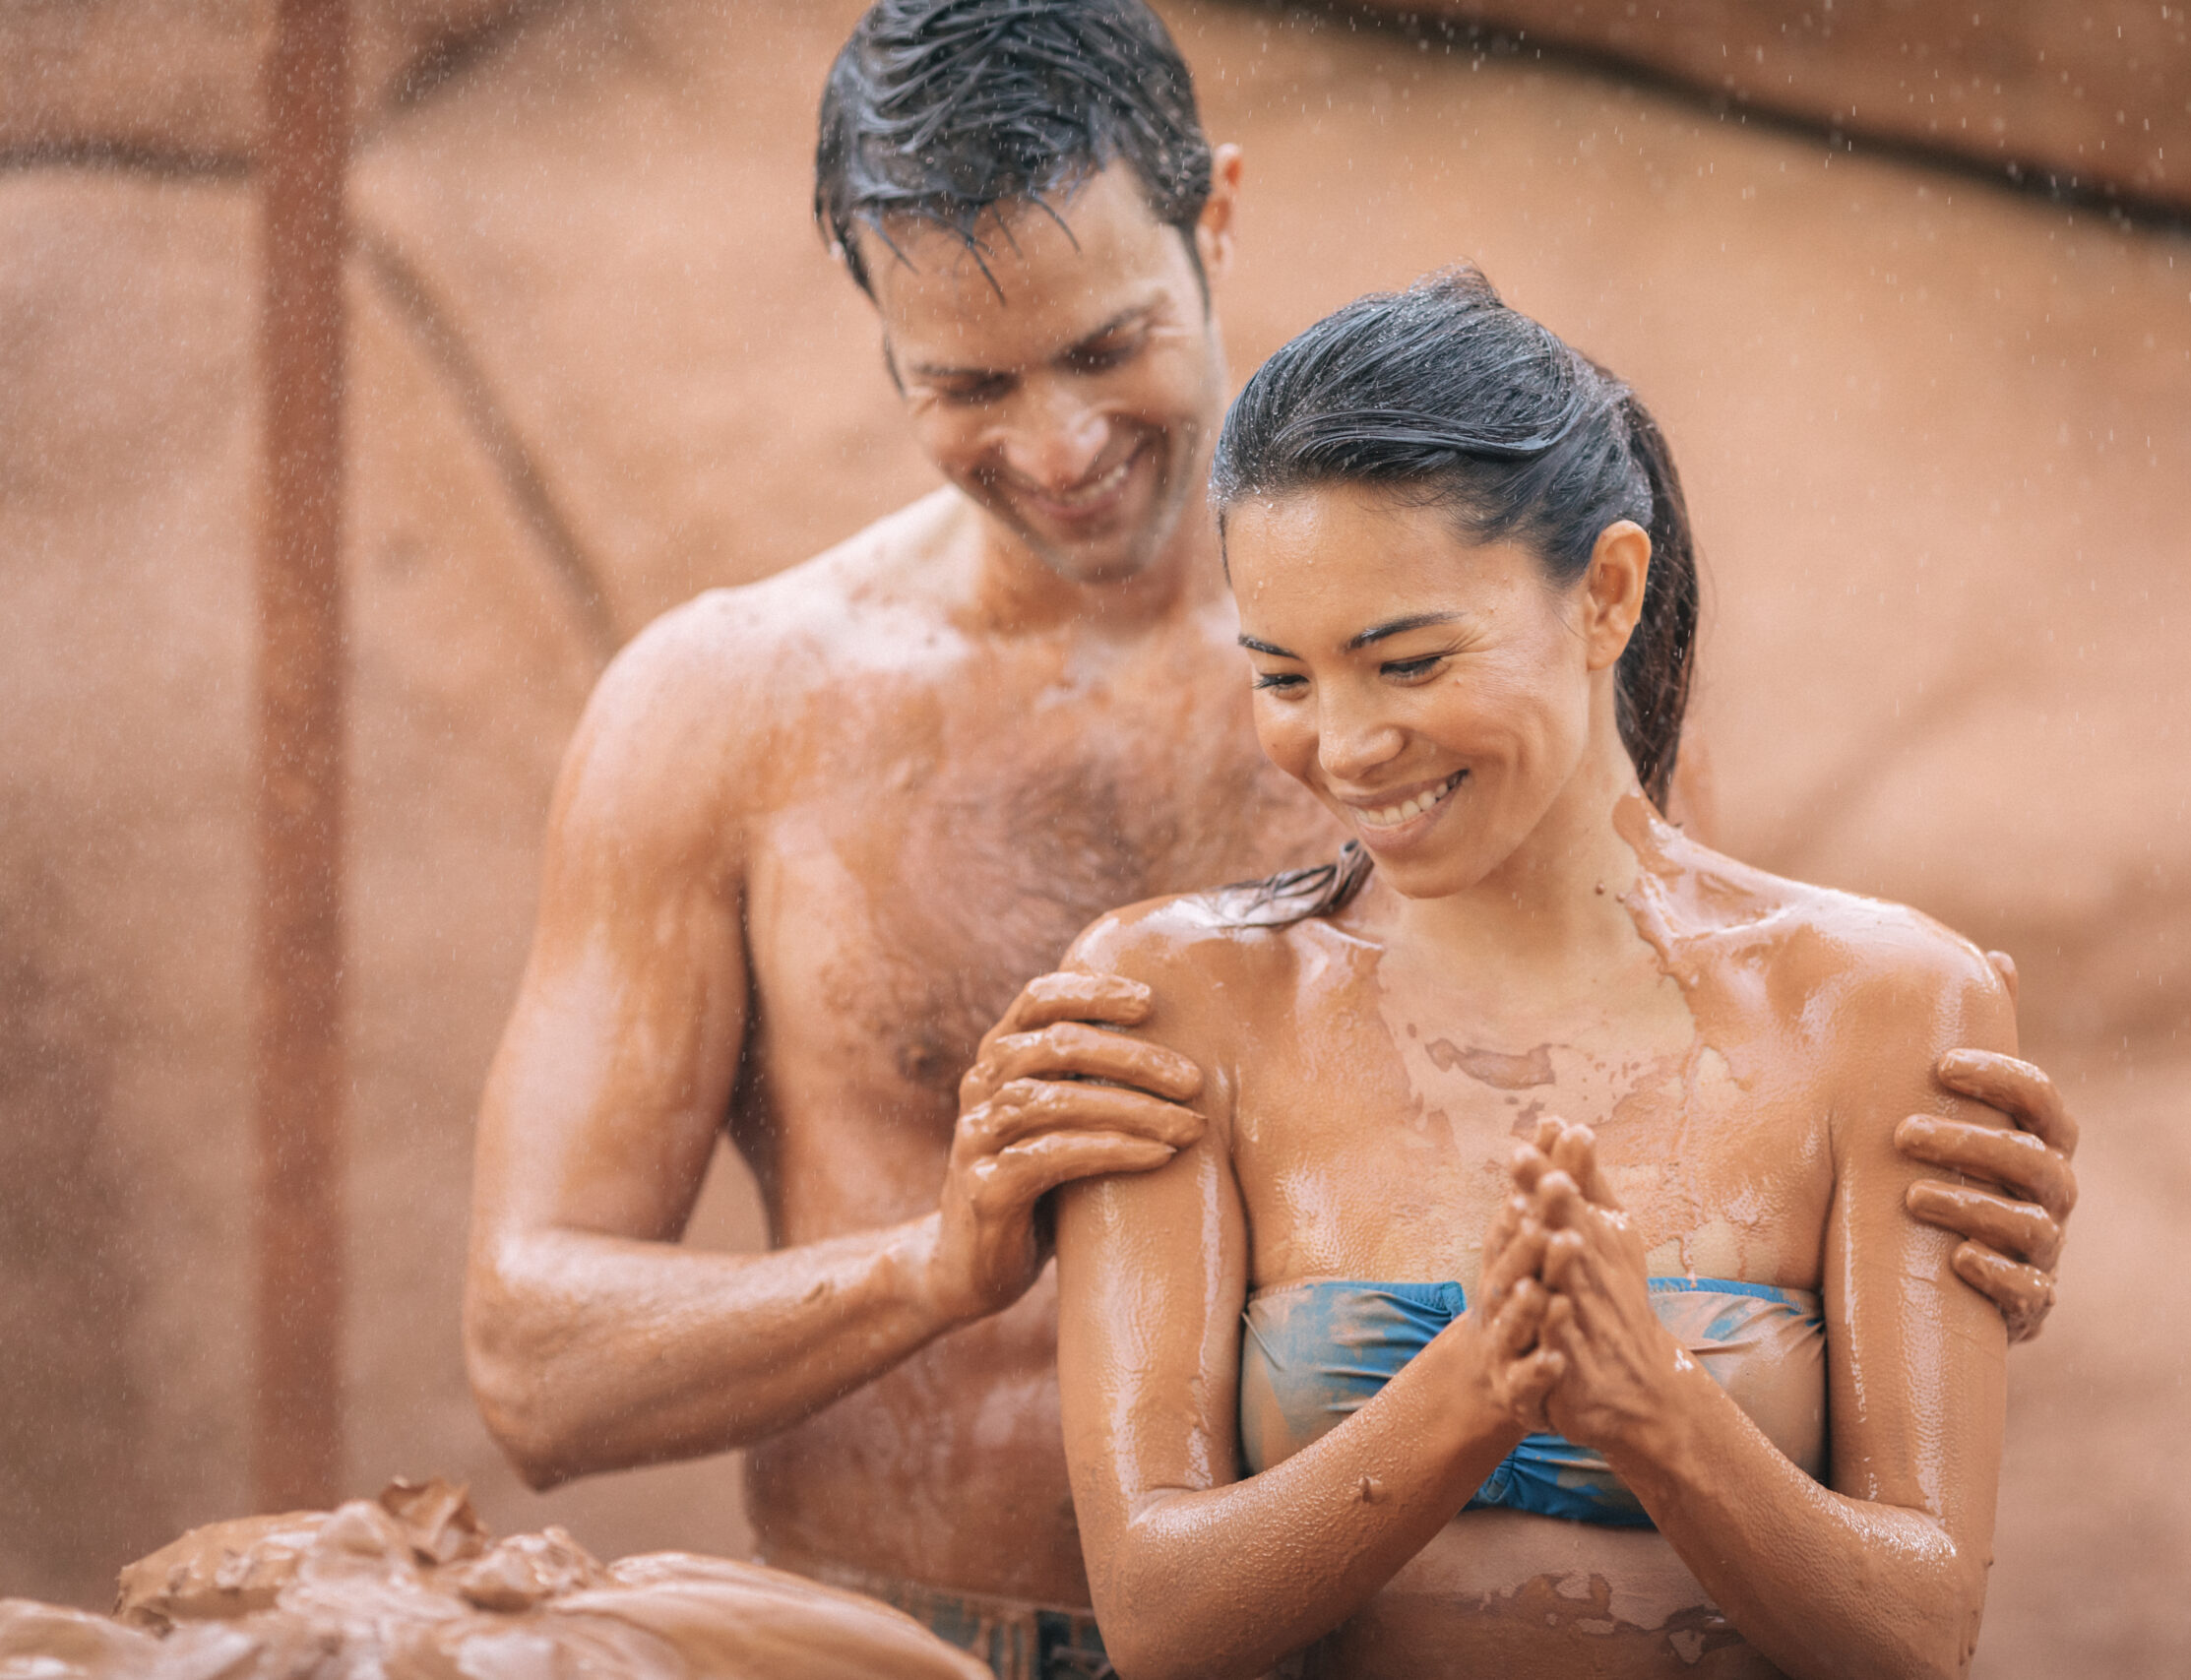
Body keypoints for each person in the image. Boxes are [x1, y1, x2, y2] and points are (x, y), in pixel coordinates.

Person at [463, 4, 2078, 1676]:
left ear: (1215, 213)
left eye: (1105, 349)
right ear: (879, 341)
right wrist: (933, 1272)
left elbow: (1699, 1117)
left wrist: (1928, 1212)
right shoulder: (732, 712)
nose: (1058, 443)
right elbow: (533, 1368)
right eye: (966, 384)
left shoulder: (1493, 666)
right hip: (916, 1632)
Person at [1053, 270, 2018, 1679]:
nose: (1347, 742)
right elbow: (1159, 1619)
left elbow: (1919, 1636)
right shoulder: (1187, 1003)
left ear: (1606, 593)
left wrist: (1656, 1411)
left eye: (1407, 661)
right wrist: (1473, 1390)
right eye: (1284, 677)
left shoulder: (1876, 1007)